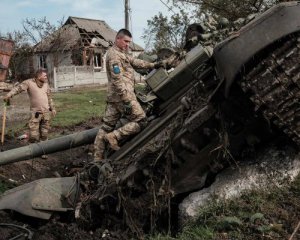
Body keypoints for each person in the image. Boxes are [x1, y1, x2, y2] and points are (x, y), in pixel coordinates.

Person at [93, 29, 165, 161]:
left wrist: (154, 64)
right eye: (126, 41)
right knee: (141, 121)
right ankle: (114, 136)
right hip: (122, 96)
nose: (128, 44)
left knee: (106, 127)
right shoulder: (114, 56)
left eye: (129, 42)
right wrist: (126, 100)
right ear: (118, 39)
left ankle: (97, 159)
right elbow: (117, 81)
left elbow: (136, 62)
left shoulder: (121, 53)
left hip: (113, 98)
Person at [3, 69, 56, 157]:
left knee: (44, 135)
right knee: (33, 136)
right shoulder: (29, 83)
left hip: (46, 113)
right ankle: (34, 152)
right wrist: (9, 95)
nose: (46, 77)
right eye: (45, 76)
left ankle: (44, 152)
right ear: (39, 76)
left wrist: (53, 108)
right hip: (35, 114)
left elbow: (49, 97)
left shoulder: (46, 85)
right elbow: (18, 88)